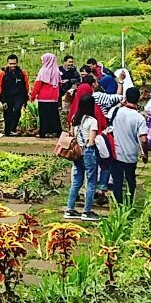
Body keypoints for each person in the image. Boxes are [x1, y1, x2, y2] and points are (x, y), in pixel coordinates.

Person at [109, 87, 150, 205]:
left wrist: (121, 104)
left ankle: (118, 204)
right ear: (139, 99)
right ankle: (129, 202)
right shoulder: (139, 118)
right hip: (131, 154)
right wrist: (145, 154)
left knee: (117, 180)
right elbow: (143, 139)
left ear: (126, 98)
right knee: (130, 179)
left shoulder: (115, 111)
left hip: (115, 152)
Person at [64, 94, 101, 222]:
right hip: (88, 152)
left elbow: (72, 135)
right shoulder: (92, 121)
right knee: (90, 182)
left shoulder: (75, 118)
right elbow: (91, 142)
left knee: (76, 181)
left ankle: (69, 208)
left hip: (77, 152)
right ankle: (86, 211)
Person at [0, 54, 29, 136]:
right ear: (7, 63)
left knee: (17, 111)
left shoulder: (22, 73)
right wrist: (3, 101)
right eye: (11, 64)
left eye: (14, 64)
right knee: (7, 114)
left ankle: (13, 129)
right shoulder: (3, 74)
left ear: (17, 63)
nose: (12, 66)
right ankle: (8, 132)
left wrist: (25, 99)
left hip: (19, 96)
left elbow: (26, 86)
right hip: (7, 97)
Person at [30, 52, 62, 138]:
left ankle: (44, 132)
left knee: (44, 116)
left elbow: (38, 84)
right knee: (54, 115)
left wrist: (32, 95)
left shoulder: (43, 70)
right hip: (54, 97)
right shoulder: (57, 71)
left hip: (44, 97)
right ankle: (56, 131)